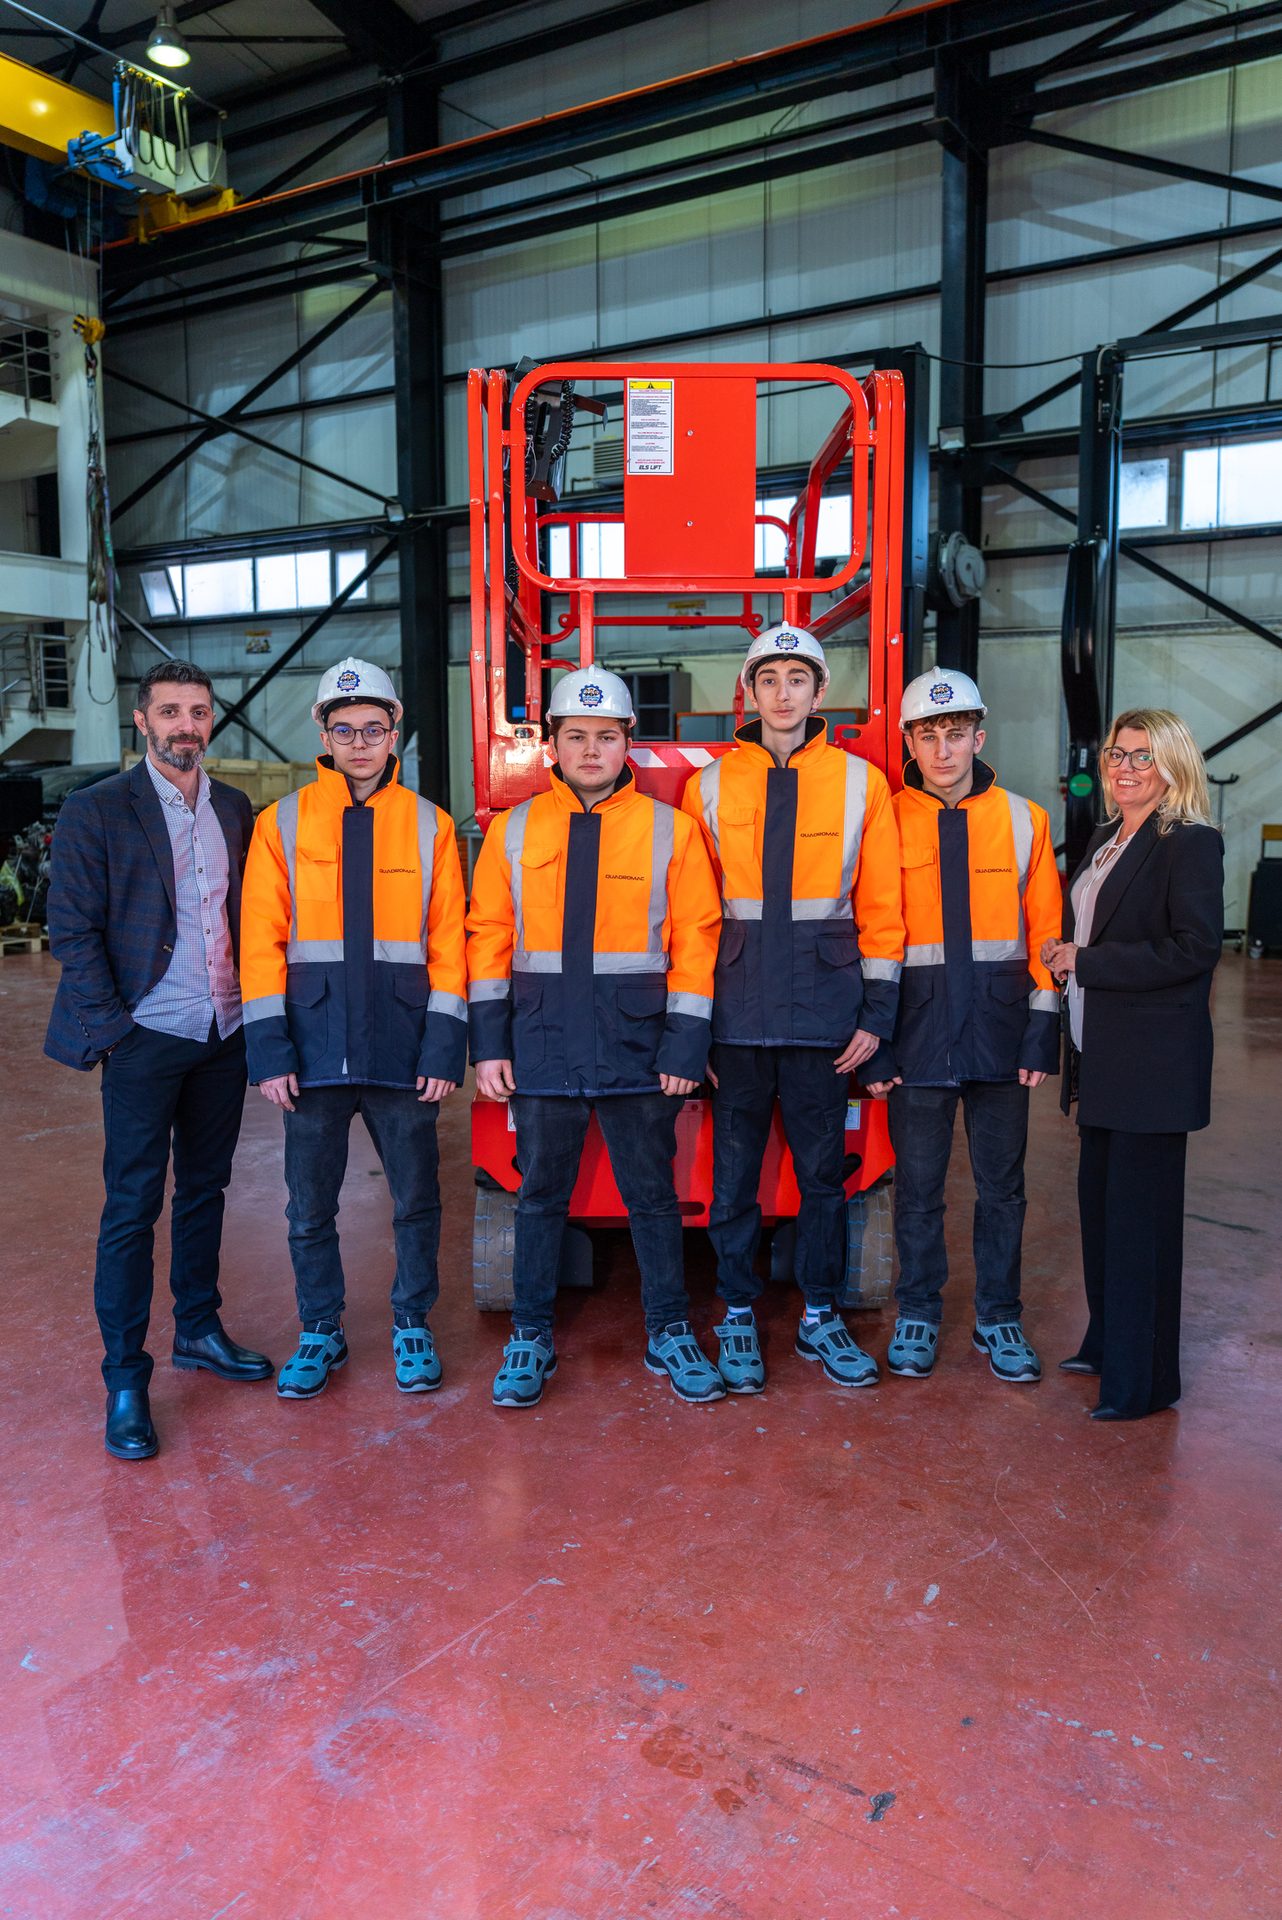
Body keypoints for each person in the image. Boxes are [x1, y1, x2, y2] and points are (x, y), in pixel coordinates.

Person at [467, 667, 723, 1408]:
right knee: (539, 1195)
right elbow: (489, 938)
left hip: (639, 1049)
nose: (590, 749)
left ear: (627, 746)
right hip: (542, 1044)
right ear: (551, 743)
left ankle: (670, 1331)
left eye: (605, 736)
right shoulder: (513, 831)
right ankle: (530, 1335)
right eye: (575, 736)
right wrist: (490, 1043)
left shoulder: (672, 830)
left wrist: (685, 1046)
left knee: (652, 1196)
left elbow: (697, 941)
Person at [45, 661, 272, 1462]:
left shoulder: (237, 809)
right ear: (141, 720)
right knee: (133, 1205)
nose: (186, 724)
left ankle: (200, 1330)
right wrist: (115, 1031)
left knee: (206, 1188)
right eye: (170, 711)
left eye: (199, 712)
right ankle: (125, 1378)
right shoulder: (96, 810)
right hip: (144, 1037)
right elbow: (70, 930)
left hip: (222, 1031)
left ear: (212, 723)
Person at [681, 625, 905, 1394]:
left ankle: (820, 1314)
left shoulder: (860, 783)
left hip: (825, 1019)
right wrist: (694, 1025)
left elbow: (881, 906)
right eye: (768, 679)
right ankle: (737, 1312)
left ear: (819, 692)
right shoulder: (706, 786)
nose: (783, 693)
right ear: (749, 692)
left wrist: (877, 1013)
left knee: (821, 1178)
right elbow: (694, 916)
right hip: (736, 1018)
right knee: (734, 1177)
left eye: (797, 680)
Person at [239, 658, 467, 1400]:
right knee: (309, 1206)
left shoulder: (431, 825)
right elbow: (260, 944)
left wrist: (442, 1047)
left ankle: (411, 1323)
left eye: (374, 729)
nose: (361, 743)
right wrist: (269, 1051)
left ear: (395, 730)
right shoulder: (281, 824)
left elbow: (448, 947)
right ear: (323, 733)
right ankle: (319, 1328)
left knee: (416, 1201)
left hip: (404, 1054)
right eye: (346, 730)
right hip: (311, 1053)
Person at [864, 668, 1061, 1383]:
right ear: (909, 744)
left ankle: (998, 1317)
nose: (943, 749)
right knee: (917, 1187)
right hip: (916, 1034)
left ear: (980, 735)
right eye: (927, 735)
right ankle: (917, 1310)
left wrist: (1044, 1027)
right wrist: (876, 1037)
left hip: (1002, 1033)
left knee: (1002, 1187)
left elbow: (1046, 932)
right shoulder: (883, 818)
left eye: (956, 733)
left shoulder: (1025, 819)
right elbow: (875, 932)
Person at [1042, 709, 1223, 1421]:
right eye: (1118, 754)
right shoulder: (1106, 839)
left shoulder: (1190, 844)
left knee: (1140, 1225)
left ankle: (1143, 1383)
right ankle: (1107, 1343)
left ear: (1173, 766)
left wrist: (1085, 962)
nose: (1123, 768)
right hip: (1103, 1058)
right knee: (1101, 1212)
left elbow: (1193, 950)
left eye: (1142, 757)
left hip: (1153, 1067)